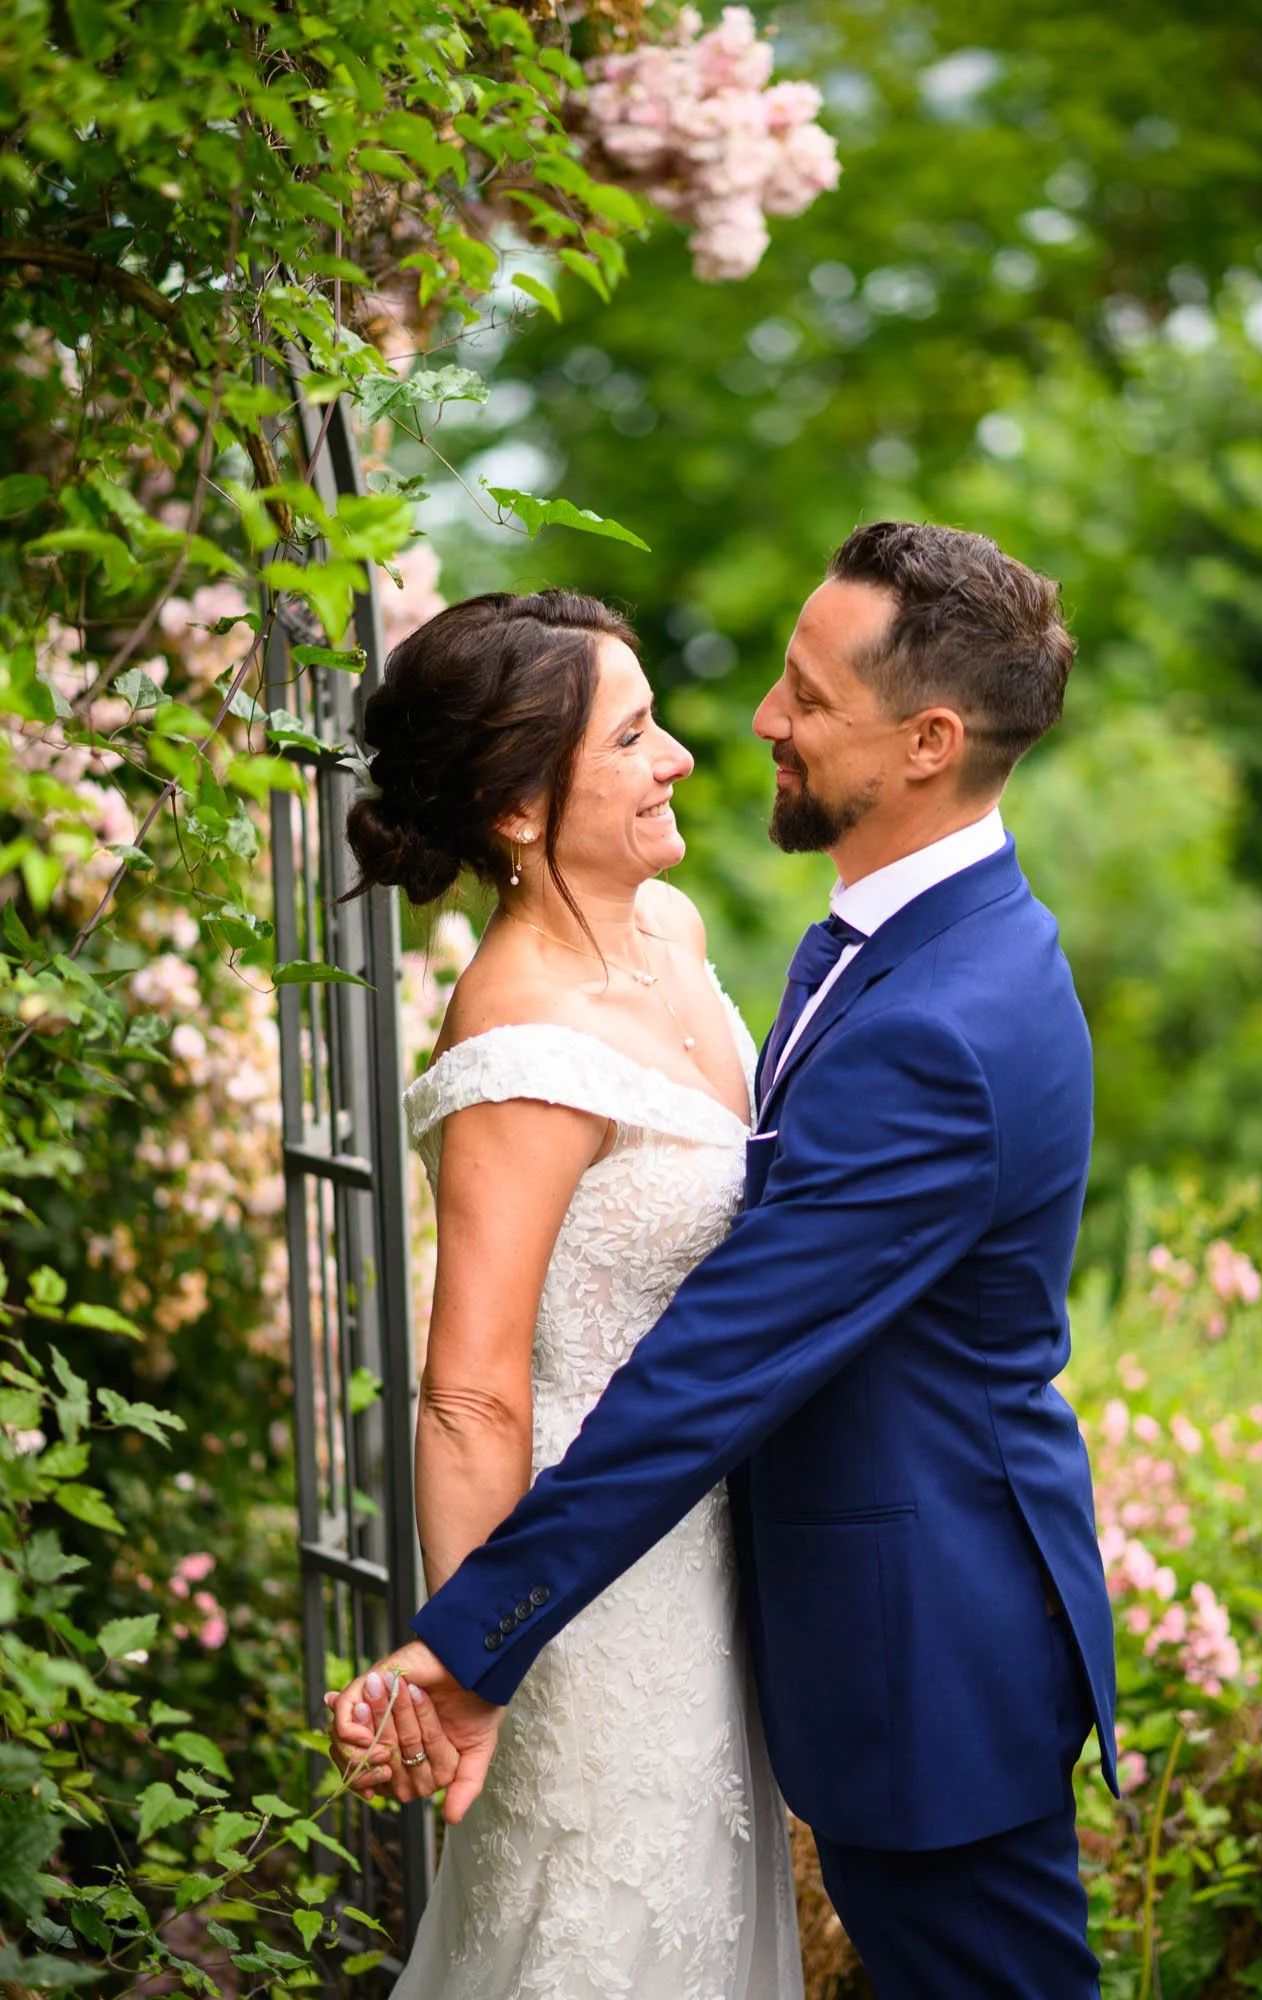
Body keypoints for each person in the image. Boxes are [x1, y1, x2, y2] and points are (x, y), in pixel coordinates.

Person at [335, 522, 1120, 1999]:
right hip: (687, 1592)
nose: (751, 724)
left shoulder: (935, 1020)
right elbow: (479, 1387)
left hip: (919, 1638)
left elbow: (719, 1357)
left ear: (929, 739)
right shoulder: (882, 945)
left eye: (807, 699)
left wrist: (469, 1641)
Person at [334, 587, 803, 2000]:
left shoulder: (671, 929)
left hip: (718, 1562)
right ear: (522, 810)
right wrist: (479, 1656)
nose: (681, 762)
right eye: (637, 736)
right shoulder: (519, 1044)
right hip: (590, 1610)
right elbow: (471, 1392)